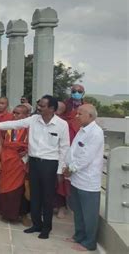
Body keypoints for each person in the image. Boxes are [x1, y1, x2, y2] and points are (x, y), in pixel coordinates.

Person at [0, 95, 70, 239]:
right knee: (35, 195)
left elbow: (65, 148)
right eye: (39, 105)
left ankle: (46, 228)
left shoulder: (61, 124)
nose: (39, 108)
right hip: (34, 162)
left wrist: (60, 170)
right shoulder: (34, 119)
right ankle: (36, 225)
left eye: (42, 106)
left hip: (50, 164)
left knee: (47, 198)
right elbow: (14, 124)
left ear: (52, 108)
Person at [62, 104, 104, 252]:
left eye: (80, 114)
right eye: (77, 113)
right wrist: (67, 166)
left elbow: (86, 157)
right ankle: (79, 235)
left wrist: (71, 169)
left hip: (88, 180)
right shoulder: (82, 130)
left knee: (89, 214)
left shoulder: (96, 133)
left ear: (90, 116)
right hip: (76, 178)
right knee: (78, 211)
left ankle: (89, 242)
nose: (76, 116)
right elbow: (74, 151)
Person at [0, 105, 29, 223]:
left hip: (20, 163)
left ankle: (20, 214)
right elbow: (0, 143)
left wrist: (26, 153)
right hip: (6, 161)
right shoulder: (8, 126)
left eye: (19, 113)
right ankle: (6, 213)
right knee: (5, 188)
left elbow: (33, 145)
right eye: (14, 113)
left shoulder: (29, 128)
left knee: (19, 189)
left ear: (26, 116)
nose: (15, 115)